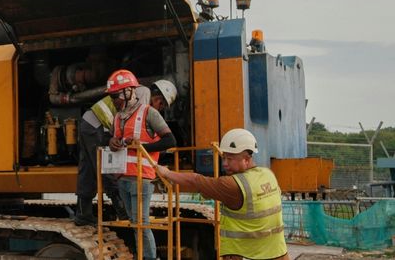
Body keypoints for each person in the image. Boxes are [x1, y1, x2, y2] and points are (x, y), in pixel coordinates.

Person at [155, 129, 288, 260]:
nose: (224, 163)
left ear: (246, 160)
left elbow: (195, 180)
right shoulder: (268, 174)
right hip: (278, 253)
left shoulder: (232, 185)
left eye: (230, 159)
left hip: (247, 254)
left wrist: (167, 173)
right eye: (223, 157)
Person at [106, 69, 176, 260]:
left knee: (141, 223)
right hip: (123, 178)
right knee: (134, 223)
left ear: (129, 92)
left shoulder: (149, 113)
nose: (114, 101)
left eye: (116, 96)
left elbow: (170, 141)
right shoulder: (118, 117)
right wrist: (112, 142)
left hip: (142, 178)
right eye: (112, 98)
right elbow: (115, 142)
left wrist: (144, 146)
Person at [74, 96, 129, 225]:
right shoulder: (143, 95)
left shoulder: (131, 92)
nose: (161, 108)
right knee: (107, 166)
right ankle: (123, 212)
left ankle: (83, 214)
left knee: (88, 167)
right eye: (161, 104)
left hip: (88, 123)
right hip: (96, 126)